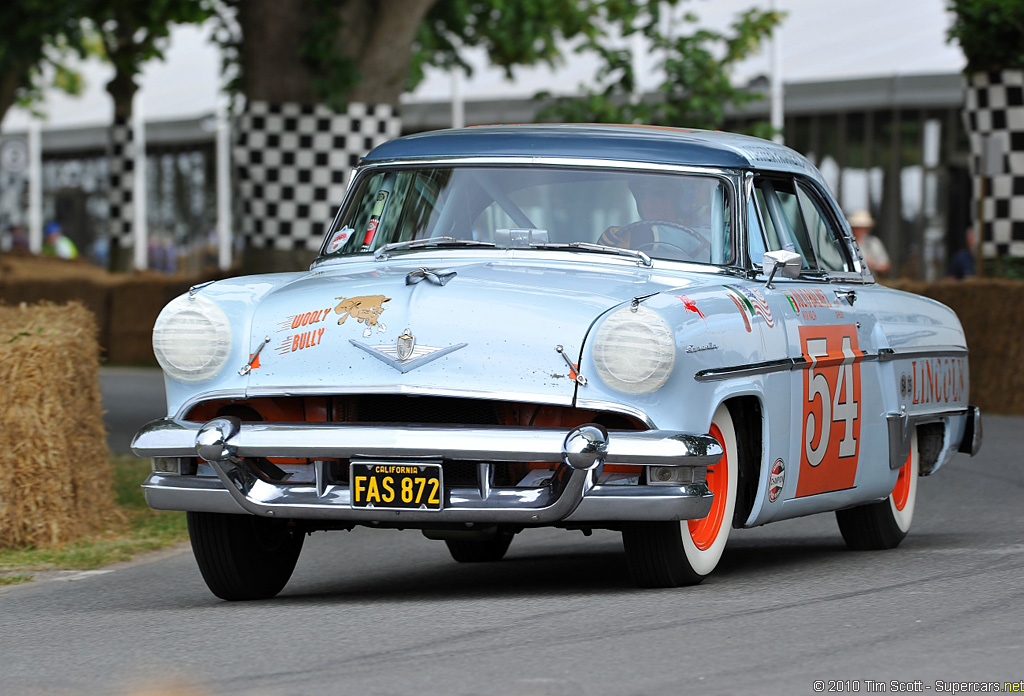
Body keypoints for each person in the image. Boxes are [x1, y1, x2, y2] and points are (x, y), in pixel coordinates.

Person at [597, 176, 713, 260]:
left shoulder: (712, 228)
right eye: (641, 195)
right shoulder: (630, 236)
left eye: (658, 193)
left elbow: (710, 244)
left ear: (680, 196)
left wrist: (639, 236)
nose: (647, 203)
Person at [847, 210, 889, 275]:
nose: (859, 230)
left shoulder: (873, 243)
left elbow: (885, 266)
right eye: (856, 227)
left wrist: (872, 265)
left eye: (862, 227)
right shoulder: (845, 242)